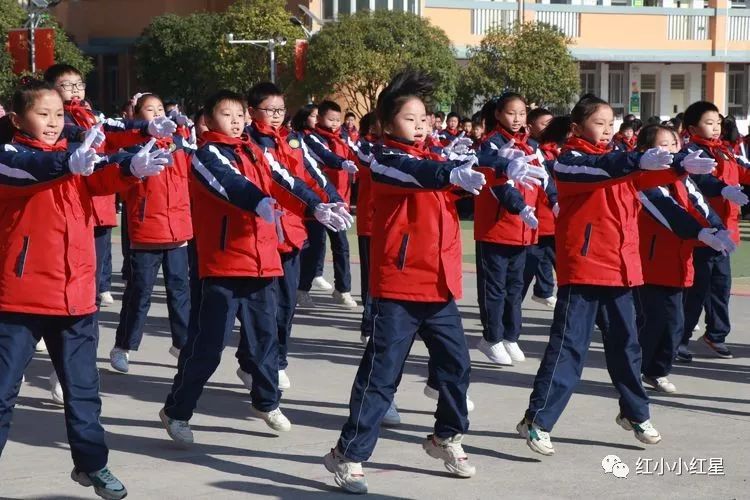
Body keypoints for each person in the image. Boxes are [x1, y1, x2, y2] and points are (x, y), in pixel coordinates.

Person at [519, 94, 716, 456]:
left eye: (611, 123)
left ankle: (635, 413)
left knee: (627, 347)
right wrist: (637, 159)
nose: (608, 129)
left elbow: (644, 176)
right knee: (569, 349)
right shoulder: (570, 162)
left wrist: (680, 167)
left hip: (621, 270)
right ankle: (537, 421)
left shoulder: (620, 162)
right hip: (584, 269)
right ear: (577, 127)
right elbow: (607, 168)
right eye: (600, 123)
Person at [0, 78, 167, 500]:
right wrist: (68, 163)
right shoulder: (10, 157)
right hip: (19, 298)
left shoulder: (71, 157)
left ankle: (92, 465)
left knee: (84, 393)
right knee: (2, 393)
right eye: (43, 114)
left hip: (75, 296)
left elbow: (100, 175)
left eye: (59, 114)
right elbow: (29, 170)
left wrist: (132, 168)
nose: (54, 122)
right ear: (18, 118)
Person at [323, 71, 485, 494]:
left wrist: (479, 167)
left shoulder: (435, 158)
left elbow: (448, 174)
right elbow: (415, 174)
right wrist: (450, 174)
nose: (421, 124)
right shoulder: (382, 159)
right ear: (387, 123)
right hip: (398, 286)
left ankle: (445, 437)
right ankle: (349, 456)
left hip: (440, 285)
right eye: (411, 118)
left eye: (425, 117)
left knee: (457, 367)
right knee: (381, 375)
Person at [159, 91, 349, 444]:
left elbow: (285, 180)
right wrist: (258, 201)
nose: (233, 120)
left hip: (263, 262)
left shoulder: (255, 150)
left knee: (265, 339)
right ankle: (177, 412)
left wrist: (317, 207)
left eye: (238, 114)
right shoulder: (205, 154)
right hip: (223, 266)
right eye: (224, 114)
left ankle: (266, 401)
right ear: (208, 120)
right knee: (208, 347)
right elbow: (231, 185)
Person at [242, 82, 353, 391]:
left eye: (280, 110)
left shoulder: (293, 139)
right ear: (252, 112)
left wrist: (333, 199)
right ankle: (262, 363)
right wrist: (316, 203)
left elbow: (312, 171)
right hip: (260, 231)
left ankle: (274, 360)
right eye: (269, 110)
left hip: (291, 231)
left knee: (286, 303)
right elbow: (282, 179)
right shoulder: (247, 142)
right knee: (263, 306)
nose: (276, 116)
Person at [635, 124, 733, 393]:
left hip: (679, 262)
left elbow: (700, 204)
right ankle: (638, 371)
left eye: (673, 144)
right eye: (662, 145)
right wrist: (700, 233)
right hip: (651, 264)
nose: (670, 150)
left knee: (675, 323)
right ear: (645, 150)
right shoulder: (644, 179)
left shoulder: (682, 177)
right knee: (654, 322)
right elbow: (670, 212)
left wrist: (718, 229)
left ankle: (656, 371)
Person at [109, 93, 194, 373]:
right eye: (149, 109)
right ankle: (123, 346)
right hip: (146, 230)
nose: (157, 113)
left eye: (161, 108)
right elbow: (120, 182)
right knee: (139, 292)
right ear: (137, 115)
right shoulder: (131, 148)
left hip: (178, 230)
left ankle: (182, 344)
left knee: (180, 290)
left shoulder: (180, 145)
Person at [474, 93, 548, 365]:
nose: (517, 119)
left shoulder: (531, 145)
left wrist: (554, 201)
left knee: (516, 287)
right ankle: (491, 338)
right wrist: (519, 207)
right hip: (496, 227)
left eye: (521, 113)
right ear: (498, 115)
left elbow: (545, 178)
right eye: (510, 113)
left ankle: (510, 336)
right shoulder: (489, 145)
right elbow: (497, 185)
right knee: (495, 287)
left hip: (523, 229)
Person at [679, 101, 750, 360]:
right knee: (697, 287)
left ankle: (715, 334)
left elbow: (742, 172)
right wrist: (722, 189)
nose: (716, 128)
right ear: (692, 128)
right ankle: (680, 337)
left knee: (721, 285)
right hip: (705, 231)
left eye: (718, 123)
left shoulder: (724, 150)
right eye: (709, 123)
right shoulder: (692, 153)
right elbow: (701, 181)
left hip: (726, 230)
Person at [300, 101, 359, 308]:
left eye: (337, 120)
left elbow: (357, 153)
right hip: (319, 202)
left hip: (339, 202)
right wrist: (341, 163)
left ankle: (343, 289)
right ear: (320, 118)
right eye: (330, 119)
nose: (334, 124)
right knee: (314, 247)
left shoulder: (343, 137)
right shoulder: (310, 138)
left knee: (342, 246)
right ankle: (302, 289)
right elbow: (326, 156)